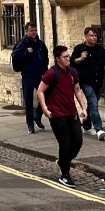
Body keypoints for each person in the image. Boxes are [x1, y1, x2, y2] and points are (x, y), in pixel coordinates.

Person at [37, 44, 89, 188]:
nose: (68, 59)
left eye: (69, 56)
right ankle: (64, 175)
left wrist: (84, 108)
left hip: (71, 113)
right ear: (57, 59)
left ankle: (62, 161)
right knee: (65, 144)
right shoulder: (51, 73)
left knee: (77, 141)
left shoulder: (72, 72)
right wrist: (45, 109)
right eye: (65, 57)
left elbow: (77, 90)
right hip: (57, 114)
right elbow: (40, 91)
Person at [70, 25, 105, 140]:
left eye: (95, 35)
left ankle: (86, 126)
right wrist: (81, 58)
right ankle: (99, 129)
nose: (94, 38)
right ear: (86, 36)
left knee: (92, 104)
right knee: (93, 103)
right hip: (86, 81)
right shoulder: (79, 48)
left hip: (98, 82)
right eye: (91, 35)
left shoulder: (100, 49)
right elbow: (72, 63)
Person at [12, 21, 49, 133]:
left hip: (39, 75)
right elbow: (15, 58)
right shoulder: (22, 44)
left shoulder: (40, 44)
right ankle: (30, 124)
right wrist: (26, 53)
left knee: (46, 95)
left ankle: (37, 116)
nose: (33, 32)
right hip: (28, 75)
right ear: (26, 31)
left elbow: (45, 58)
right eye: (31, 31)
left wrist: (45, 71)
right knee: (28, 101)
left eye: (35, 30)